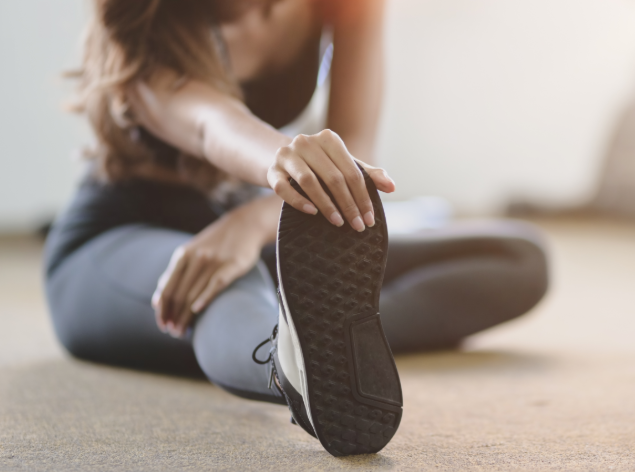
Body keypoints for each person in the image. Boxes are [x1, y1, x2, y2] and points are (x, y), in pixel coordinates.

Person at [43, 0, 548, 456]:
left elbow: (356, 143)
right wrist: (282, 162)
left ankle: (326, 332)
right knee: (225, 282)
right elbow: (211, 125)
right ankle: (288, 365)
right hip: (118, 239)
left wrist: (249, 225)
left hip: (248, 227)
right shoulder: (139, 15)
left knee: (520, 257)